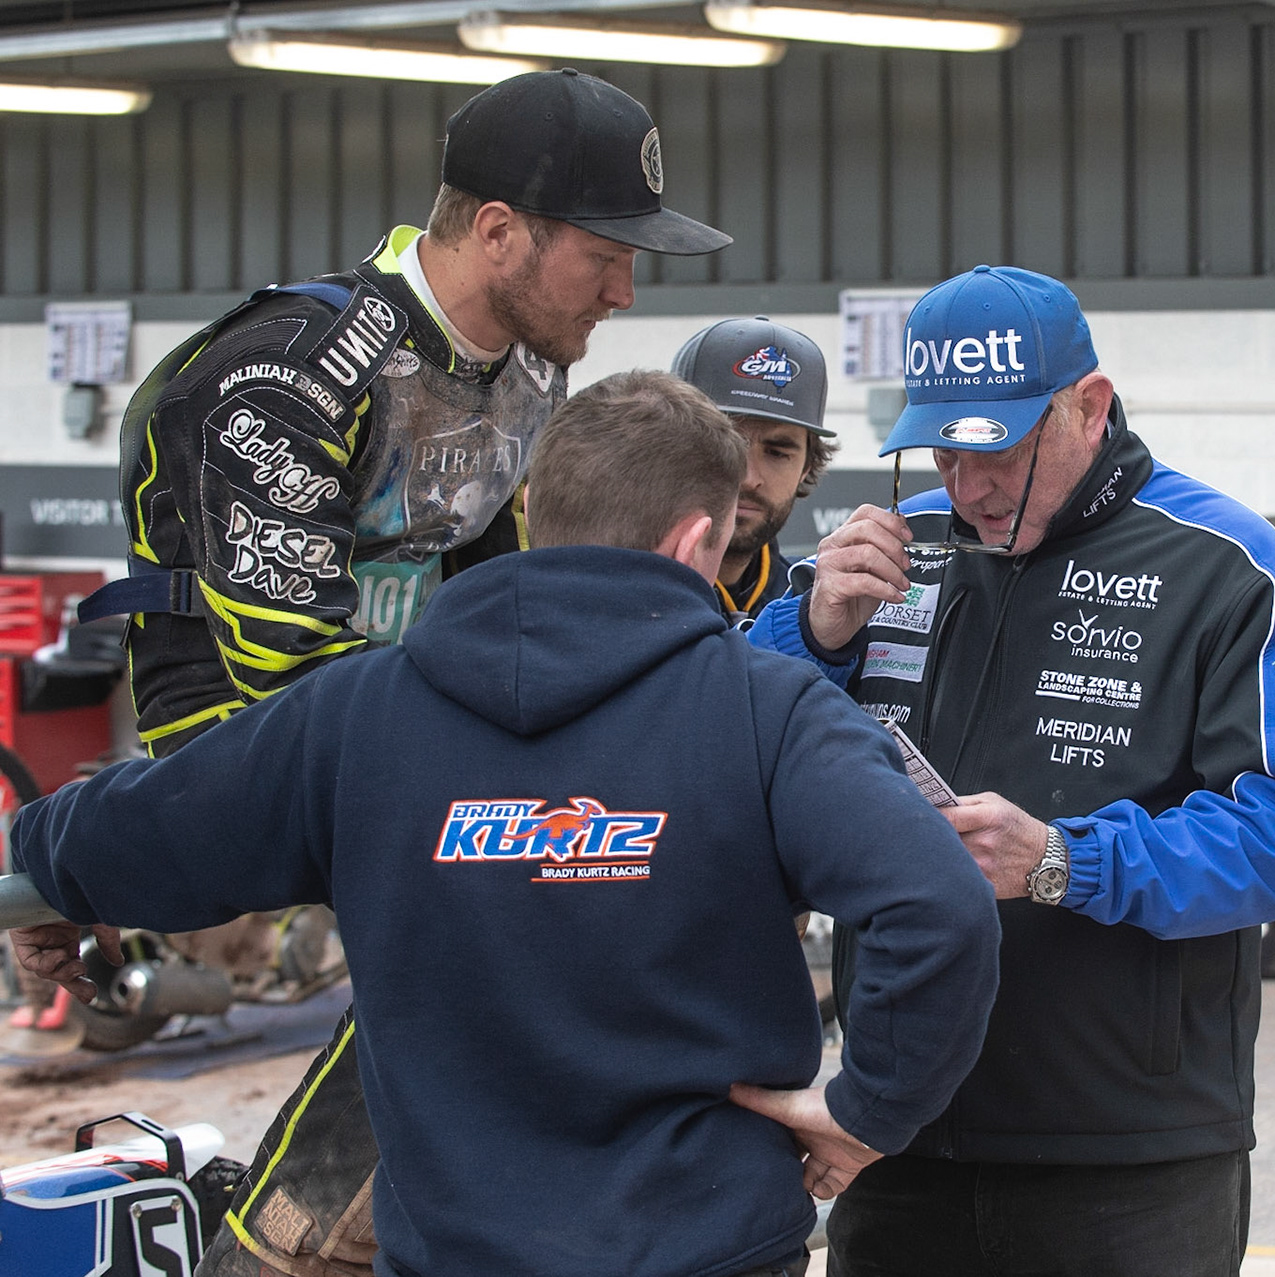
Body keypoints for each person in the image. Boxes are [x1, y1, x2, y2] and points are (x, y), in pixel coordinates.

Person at [10, 370, 1001, 1277]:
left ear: (533, 514)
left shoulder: (357, 714)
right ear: (697, 538)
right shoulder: (768, 712)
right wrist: (866, 1110)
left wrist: (40, 878)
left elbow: (141, 827)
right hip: (706, 1247)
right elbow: (943, 906)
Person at [48, 67, 732, 1277]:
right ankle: (279, 1247)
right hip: (243, 716)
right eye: (605, 255)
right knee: (498, 888)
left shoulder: (527, 368)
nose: (628, 291)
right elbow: (289, 676)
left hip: (403, 705)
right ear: (498, 231)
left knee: (601, 850)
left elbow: (509, 595)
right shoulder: (291, 372)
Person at [748, 264, 1275, 1276]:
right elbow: (721, 735)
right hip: (901, 1126)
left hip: (1131, 1151)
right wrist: (810, 635)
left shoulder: (1226, 564)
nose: (970, 485)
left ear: (1090, 406)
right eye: (945, 450)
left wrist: (1065, 859)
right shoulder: (900, 549)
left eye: (1001, 451)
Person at [672, 317, 839, 622]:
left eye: (777, 452)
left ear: (807, 466)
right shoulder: (620, 594)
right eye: (725, 445)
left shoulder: (815, 607)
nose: (748, 479)